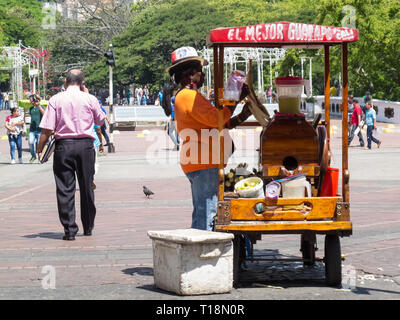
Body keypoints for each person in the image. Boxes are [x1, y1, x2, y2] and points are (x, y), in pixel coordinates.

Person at [165, 46, 252, 231]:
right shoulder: (188, 96)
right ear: (190, 76)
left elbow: (220, 123)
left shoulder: (190, 96)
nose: (202, 76)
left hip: (202, 161)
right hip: (203, 162)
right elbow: (218, 119)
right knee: (207, 214)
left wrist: (242, 115)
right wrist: (235, 98)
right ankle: (203, 254)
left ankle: (198, 251)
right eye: (200, 72)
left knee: (202, 212)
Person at [37, 69, 105, 241]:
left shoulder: (55, 99)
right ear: (82, 83)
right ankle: (88, 226)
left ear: (66, 82)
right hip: (86, 147)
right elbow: (100, 121)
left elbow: (47, 128)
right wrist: (88, 96)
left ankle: (69, 230)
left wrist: (40, 148)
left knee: (65, 189)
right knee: (87, 187)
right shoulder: (90, 99)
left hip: (63, 147)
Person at [28, 94, 45, 163]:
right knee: (30, 142)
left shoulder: (41, 107)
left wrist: (39, 106)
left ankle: (39, 157)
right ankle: (33, 156)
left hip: (39, 129)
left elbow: (44, 114)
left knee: (39, 144)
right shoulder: (31, 108)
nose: (29, 101)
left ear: (34, 100)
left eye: (30, 99)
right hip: (32, 129)